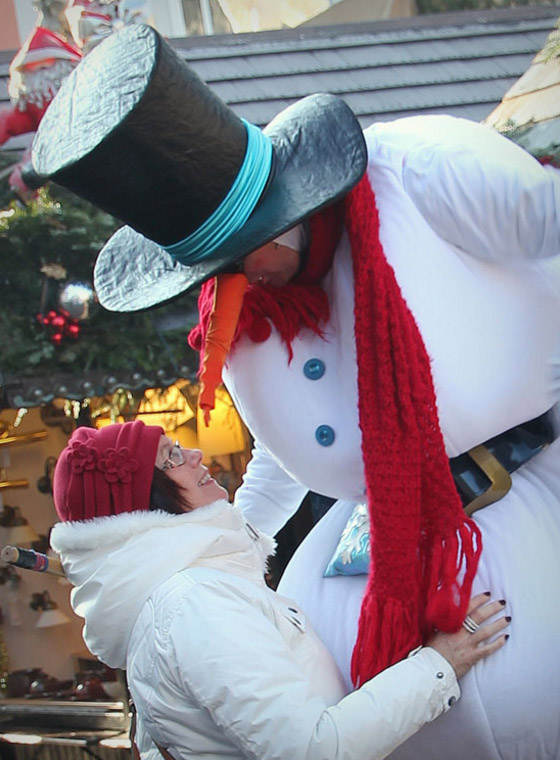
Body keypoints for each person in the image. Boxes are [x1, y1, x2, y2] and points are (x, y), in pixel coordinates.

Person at [29, 23, 560, 760]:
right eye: (213, 269)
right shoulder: (192, 603)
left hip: (518, 491)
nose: (237, 281)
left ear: (285, 210)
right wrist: (438, 663)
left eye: (241, 253)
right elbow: (284, 459)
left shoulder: (418, 176)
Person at [50, 420, 508, 760]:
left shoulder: (186, 588)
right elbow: (313, 750)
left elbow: (265, 496)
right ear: (142, 505)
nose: (195, 455)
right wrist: (441, 663)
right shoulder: (196, 604)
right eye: (172, 457)